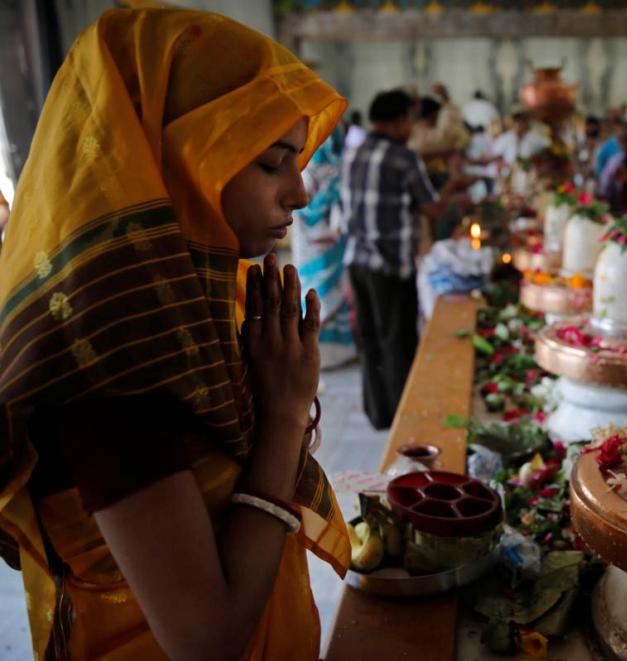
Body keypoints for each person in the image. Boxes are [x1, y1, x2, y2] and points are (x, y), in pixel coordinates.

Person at [0, 8, 350, 659]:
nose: (300, 193)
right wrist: (281, 415)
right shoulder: (111, 358)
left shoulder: (188, 304)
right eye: (273, 164)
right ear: (181, 162)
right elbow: (205, 637)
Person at [340, 89, 471, 430]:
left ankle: (377, 412)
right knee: (398, 341)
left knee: (369, 339)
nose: (412, 126)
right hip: (391, 265)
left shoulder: (354, 151)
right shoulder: (403, 157)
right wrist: (453, 185)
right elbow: (432, 207)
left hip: (357, 262)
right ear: (399, 121)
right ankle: (404, 419)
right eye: (410, 119)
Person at [293, 124, 356, 370]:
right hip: (313, 241)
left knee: (334, 292)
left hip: (332, 239)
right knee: (316, 291)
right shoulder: (307, 165)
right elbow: (304, 204)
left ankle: (337, 351)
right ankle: (318, 351)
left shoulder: (334, 162)